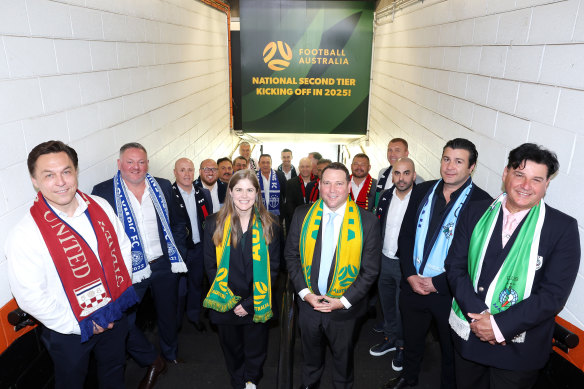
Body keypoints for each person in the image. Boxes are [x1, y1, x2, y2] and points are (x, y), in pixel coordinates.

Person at [445, 143, 580, 389]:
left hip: (518, 352)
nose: (526, 186)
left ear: (546, 184)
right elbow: (454, 266)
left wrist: (498, 326)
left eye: (536, 179)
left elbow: (553, 296)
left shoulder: (562, 228)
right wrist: (481, 319)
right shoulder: (475, 211)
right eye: (519, 174)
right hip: (469, 337)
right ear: (506, 173)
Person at [6, 141, 139, 389]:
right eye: (49, 175)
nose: (61, 181)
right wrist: (81, 324)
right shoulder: (26, 233)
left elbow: (123, 248)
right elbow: (30, 297)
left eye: (66, 171)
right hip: (68, 330)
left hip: (113, 313)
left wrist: (118, 292)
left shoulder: (100, 206)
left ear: (75, 172)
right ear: (35, 180)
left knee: (114, 372)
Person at [385, 138, 492, 389]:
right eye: (446, 159)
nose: (450, 166)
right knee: (412, 339)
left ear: (472, 167)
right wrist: (410, 274)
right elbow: (407, 233)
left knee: (450, 349)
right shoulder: (423, 190)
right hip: (412, 284)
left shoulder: (482, 203)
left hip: (449, 293)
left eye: (458, 161)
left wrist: (438, 283)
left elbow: (475, 256)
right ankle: (408, 378)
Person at [92, 142, 188, 389]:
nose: (136, 167)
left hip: (163, 264)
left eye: (141, 162)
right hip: (129, 271)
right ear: (119, 164)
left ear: (147, 164)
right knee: (125, 320)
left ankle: (170, 353)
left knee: (168, 313)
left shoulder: (163, 186)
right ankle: (146, 357)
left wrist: (176, 251)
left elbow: (179, 222)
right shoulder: (102, 192)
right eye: (130, 162)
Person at [285, 162, 381, 389]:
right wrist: (305, 294)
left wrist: (343, 301)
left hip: (345, 309)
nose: (332, 189)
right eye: (326, 183)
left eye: (339, 183)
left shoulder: (367, 221)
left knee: (343, 359)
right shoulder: (302, 214)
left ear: (348, 186)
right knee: (309, 357)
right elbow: (291, 257)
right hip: (309, 305)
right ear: (319, 185)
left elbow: (370, 270)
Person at [203, 169, 280, 389]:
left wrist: (249, 303)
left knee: (256, 348)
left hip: (257, 301)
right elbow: (210, 267)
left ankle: (251, 380)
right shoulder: (213, 223)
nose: (244, 195)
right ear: (230, 192)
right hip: (225, 301)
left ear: (257, 193)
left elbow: (274, 269)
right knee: (231, 348)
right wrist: (232, 301)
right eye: (238, 189)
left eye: (249, 190)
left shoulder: (271, 225)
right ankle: (237, 380)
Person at [369, 158, 417, 373]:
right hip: (384, 259)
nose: (401, 178)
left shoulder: (421, 199)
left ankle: (402, 345)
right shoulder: (386, 195)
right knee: (387, 304)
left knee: (401, 308)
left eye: (406, 173)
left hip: (405, 265)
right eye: (397, 173)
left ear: (413, 175)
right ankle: (390, 338)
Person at [172, 158, 213, 332]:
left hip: (198, 249)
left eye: (190, 170)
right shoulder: (169, 196)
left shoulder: (203, 194)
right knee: (179, 290)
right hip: (179, 251)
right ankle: (176, 322)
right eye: (182, 170)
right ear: (175, 172)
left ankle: (194, 316)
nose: (187, 174)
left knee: (196, 284)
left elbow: (208, 221)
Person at [375, 138, 423, 209]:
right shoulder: (382, 173)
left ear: (406, 153)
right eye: (390, 150)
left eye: (397, 150)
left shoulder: (418, 181)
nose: (392, 154)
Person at [284, 157, 315, 231]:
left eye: (307, 166)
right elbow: (289, 205)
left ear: (311, 167)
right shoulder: (290, 183)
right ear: (299, 168)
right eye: (302, 167)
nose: (305, 169)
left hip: (314, 221)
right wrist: (297, 221)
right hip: (296, 222)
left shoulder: (317, 182)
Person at [257, 154, 287, 224]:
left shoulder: (280, 175)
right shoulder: (254, 177)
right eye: (263, 162)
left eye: (268, 162)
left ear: (271, 164)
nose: (265, 165)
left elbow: (285, 194)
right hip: (258, 214)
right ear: (259, 164)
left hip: (276, 215)